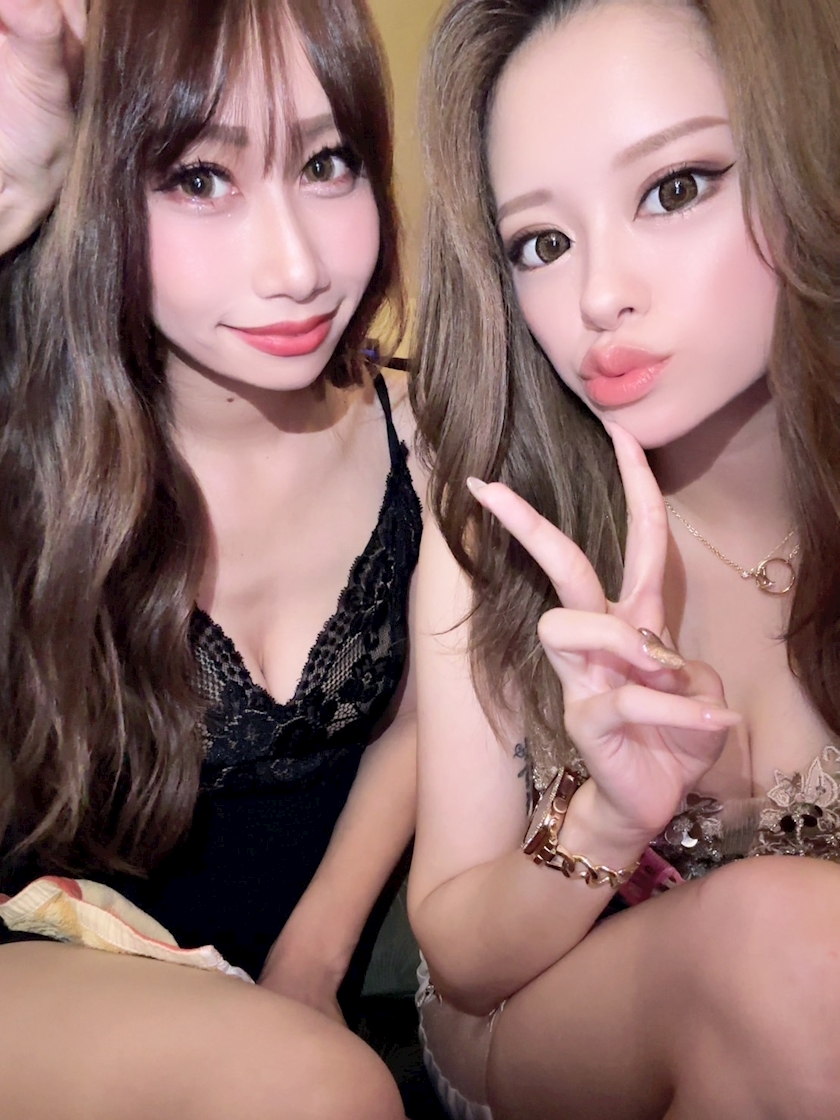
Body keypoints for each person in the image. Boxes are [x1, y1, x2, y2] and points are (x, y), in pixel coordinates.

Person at [407, 0, 839, 1117]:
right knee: (788, 949)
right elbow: (462, 956)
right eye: (542, 244)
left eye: (675, 188)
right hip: (539, 1014)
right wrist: (604, 813)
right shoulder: (507, 534)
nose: (598, 294)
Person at [0, 1, 421, 1117]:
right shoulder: (26, 432)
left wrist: (312, 961)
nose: (295, 267)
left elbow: (422, 717)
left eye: (326, 162)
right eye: (200, 177)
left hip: (280, 1016)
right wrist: (20, 183)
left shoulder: (421, 438)